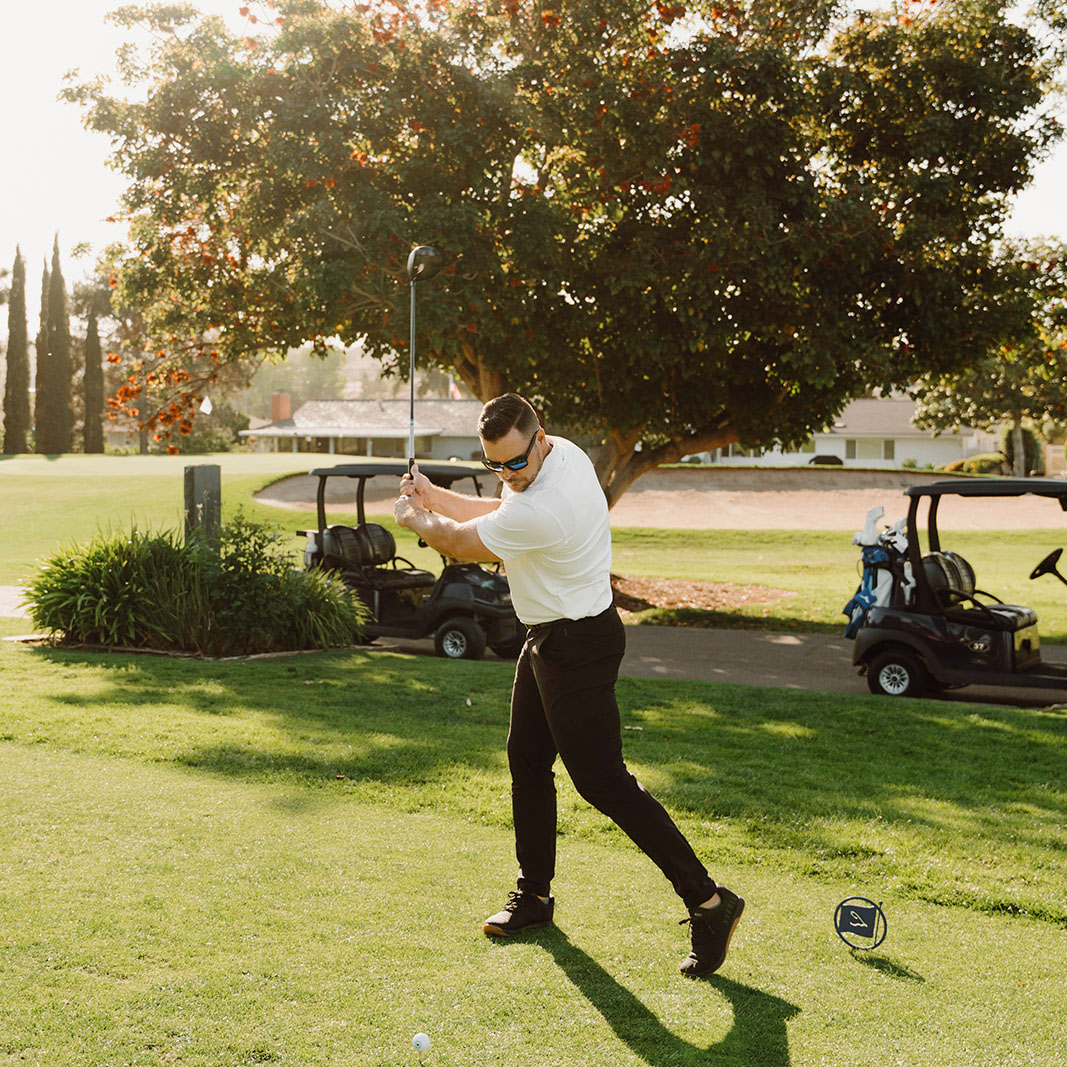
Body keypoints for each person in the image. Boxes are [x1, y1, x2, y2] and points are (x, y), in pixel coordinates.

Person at [394, 393, 743, 977]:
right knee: (526, 759)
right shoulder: (556, 461)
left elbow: (460, 543)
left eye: (514, 463)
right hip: (548, 638)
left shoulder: (545, 506)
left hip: (578, 646)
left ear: (541, 438)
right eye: (494, 465)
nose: (507, 475)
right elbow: (488, 512)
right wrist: (432, 494)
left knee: (603, 782)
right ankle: (534, 895)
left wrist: (415, 519)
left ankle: (710, 902)